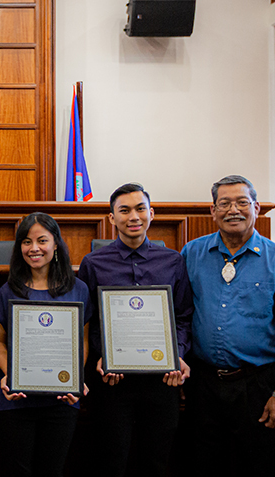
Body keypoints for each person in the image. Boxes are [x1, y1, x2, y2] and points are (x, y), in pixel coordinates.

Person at [180, 175, 275, 477]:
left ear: (255, 208)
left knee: (258, 466)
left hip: (257, 385)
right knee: (202, 465)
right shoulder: (191, 254)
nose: (233, 210)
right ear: (212, 211)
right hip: (203, 383)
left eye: (242, 202)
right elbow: (181, 316)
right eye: (224, 203)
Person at [76, 183, 193, 477]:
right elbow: (89, 321)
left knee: (156, 461)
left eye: (140, 208)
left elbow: (183, 316)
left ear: (151, 213)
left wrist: (176, 354)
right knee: (111, 460)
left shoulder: (174, 261)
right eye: (124, 210)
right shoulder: (93, 263)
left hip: (162, 380)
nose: (134, 216)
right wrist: (104, 356)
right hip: (113, 381)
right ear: (112, 218)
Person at [0, 212, 90, 477]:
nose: (34, 248)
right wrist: (10, 372)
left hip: (61, 400)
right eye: (26, 241)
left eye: (42, 240)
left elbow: (83, 340)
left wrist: (76, 377)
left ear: (56, 244)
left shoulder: (78, 289)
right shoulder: (7, 291)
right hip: (15, 400)